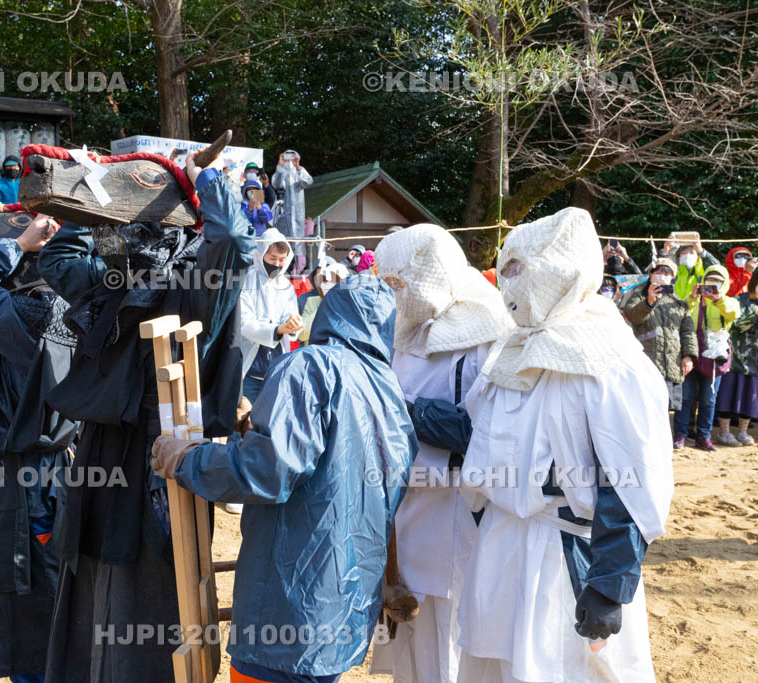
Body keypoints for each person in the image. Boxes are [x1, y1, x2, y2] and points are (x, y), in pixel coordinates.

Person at [39, 151, 254, 681]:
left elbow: (231, 241)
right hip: (105, 448)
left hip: (168, 449)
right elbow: (56, 261)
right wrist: (90, 194)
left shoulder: (198, 284)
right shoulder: (114, 276)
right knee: (95, 566)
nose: (130, 240)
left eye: (141, 230)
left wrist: (208, 181)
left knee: (159, 575)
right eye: (124, 232)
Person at [151, 274, 418, 682]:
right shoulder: (387, 387)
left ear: (329, 313)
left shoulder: (312, 366)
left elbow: (267, 471)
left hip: (286, 610)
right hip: (341, 611)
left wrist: (187, 458)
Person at [458, 207, 673, 682]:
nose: (512, 282)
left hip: (564, 558)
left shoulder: (611, 362)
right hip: (499, 545)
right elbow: (478, 432)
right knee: (491, 669)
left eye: (522, 270)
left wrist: (610, 585)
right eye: (508, 269)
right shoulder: (510, 352)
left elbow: (632, 478)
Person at [367, 224, 514, 683]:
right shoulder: (404, 328)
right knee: (407, 637)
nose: (395, 296)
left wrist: (405, 413)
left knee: (449, 641)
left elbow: (489, 431)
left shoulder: (488, 335)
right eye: (387, 285)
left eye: (400, 285)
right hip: (401, 507)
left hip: (453, 511)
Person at [0, 215, 81, 682]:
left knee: (29, 606)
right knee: (47, 600)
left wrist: (16, 242)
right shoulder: (85, 311)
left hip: (29, 486)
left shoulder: (37, 315)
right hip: (55, 478)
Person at [673, 265, 739, 451]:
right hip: (690, 352)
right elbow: (682, 315)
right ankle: (680, 434)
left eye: (717, 281)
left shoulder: (730, 302)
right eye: (709, 280)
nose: (713, 284)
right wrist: (693, 298)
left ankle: (704, 436)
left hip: (714, 357)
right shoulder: (693, 299)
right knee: (685, 397)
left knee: (708, 399)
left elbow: (733, 314)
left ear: (724, 283)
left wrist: (718, 299)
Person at [623, 258, 697, 415]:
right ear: (651, 275)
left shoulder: (680, 304)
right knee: (645, 409)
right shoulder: (638, 297)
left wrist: (689, 356)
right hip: (647, 363)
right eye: (658, 272)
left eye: (666, 273)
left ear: (672, 278)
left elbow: (688, 332)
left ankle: (666, 440)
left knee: (667, 411)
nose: (662, 275)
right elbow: (633, 316)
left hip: (672, 364)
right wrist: (649, 301)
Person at [238, 229, 302, 404]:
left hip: (275, 366)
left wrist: (293, 324)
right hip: (250, 366)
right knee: (242, 418)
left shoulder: (286, 286)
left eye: (282, 260)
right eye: (272, 258)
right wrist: (276, 329)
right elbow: (244, 323)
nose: (277, 264)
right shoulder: (246, 280)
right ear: (260, 255)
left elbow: (291, 313)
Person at [715, 273, 758, 445]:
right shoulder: (739, 301)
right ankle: (723, 432)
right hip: (736, 357)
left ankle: (743, 431)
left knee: (750, 396)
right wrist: (755, 314)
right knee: (729, 394)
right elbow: (736, 323)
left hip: (755, 360)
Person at [271, 150, 313, 273]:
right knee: (283, 245)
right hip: (283, 217)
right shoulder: (281, 172)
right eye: (286, 156)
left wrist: (298, 166)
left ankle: (297, 272)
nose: (289, 159)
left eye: (292, 156)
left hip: (298, 216)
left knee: (298, 248)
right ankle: (283, 271)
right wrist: (280, 165)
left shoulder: (300, 171)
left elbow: (308, 181)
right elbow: (276, 183)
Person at [298, 262, 348, 344]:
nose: (328, 284)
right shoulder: (312, 302)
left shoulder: (350, 304)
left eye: (334, 280)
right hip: (315, 353)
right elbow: (302, 334)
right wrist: (324, 306)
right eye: (324, 280)